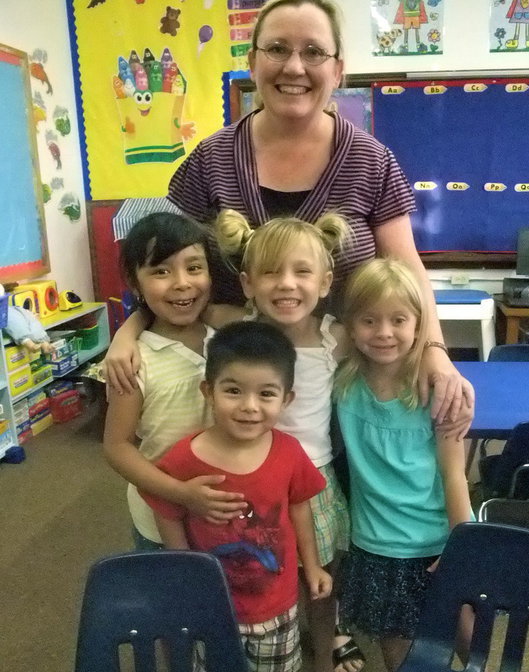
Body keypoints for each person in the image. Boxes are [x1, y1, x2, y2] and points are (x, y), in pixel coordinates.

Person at [104, 0, 474, 432]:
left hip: (346, 383)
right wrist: (130, 330)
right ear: (252, 62)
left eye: (313, 52)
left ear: (337, 70)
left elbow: (406, 271)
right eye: (277, 49)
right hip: (237, 396)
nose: (294, 67)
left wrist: (434, 350)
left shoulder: (371, 161)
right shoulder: (211, 159)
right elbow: (169, 268)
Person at [141, 321, 332, 672]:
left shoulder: (288, 452)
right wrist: (186, 575)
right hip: (212, 604)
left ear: (287, 399)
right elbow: (166, 509)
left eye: (266, 394)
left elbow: (300, 507)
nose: (249, 406)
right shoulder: (184, 458)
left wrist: (312, 566)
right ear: (208, 391)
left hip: (274, 601)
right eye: (233, 391)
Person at [210, 208, 358, 672]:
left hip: (314, 485)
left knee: (322, 588)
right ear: (247, 283)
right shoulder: (235, 335)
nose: (287, 284)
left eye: (301, 272)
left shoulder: (336, 337)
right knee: (269, 590)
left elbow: (398, 334)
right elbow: (164, 314)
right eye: (270, 273)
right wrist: (126, 331)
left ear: (325, 282)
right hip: (256, 489)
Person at [334, 258, 473, 672]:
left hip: (438, 541)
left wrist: (463, 545)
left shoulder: (438, 391)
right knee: (398, 655)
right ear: (350, 326)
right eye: (369, 320)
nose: (384, 332)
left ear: (419, 325)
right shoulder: (343, 382)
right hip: (376, 546)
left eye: (398, 320)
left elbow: (454, 475)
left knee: (469, 635)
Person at [103, 212, 247, 550]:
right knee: (171, 583)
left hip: (228, 515)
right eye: (161, 271)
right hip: (161, 521)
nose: (182, 282)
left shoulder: (229, 338)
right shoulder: (133, 360)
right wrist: (180, 493)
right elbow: (117, 447)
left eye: (194, 268)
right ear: (135, 283)